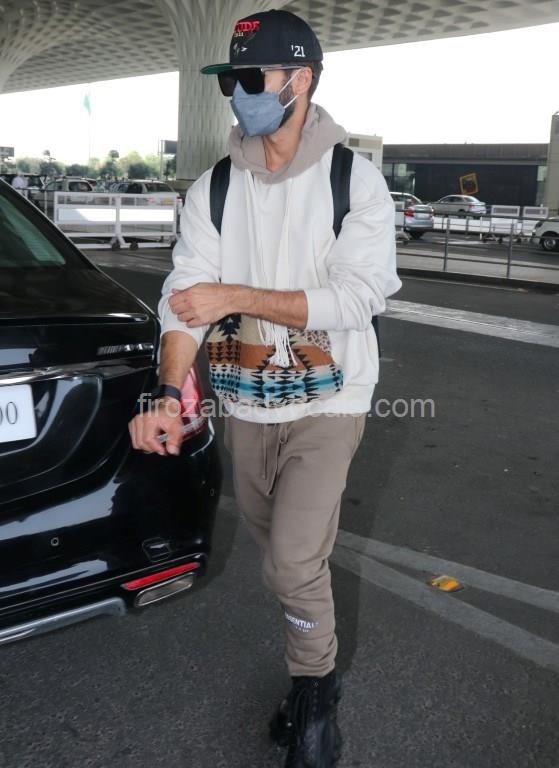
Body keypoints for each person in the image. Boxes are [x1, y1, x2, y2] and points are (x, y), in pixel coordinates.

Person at [128, 9, 401, 767]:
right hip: (245, 402)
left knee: (292, 563)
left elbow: (357, 298)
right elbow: (184, 297)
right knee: (278, 559)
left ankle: (314, 700)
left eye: (253, 77)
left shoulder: (354, 181)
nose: (239, 94)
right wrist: (166, 392)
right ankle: (313, 675)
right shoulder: (215, 187)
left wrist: (235, 295)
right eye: (231, 81)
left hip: (330, 400)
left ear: (300, 80)